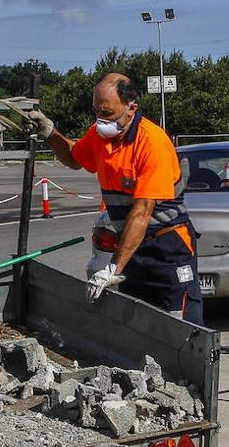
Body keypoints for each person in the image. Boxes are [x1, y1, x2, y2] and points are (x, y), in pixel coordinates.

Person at [27, 73, 202, 324]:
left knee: (180, 323)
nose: (101, 120)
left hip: (167, 248)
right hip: (132, 248)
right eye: (96, 111)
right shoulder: (99, 137)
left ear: (131, 109)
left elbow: (142, 213)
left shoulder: (152, 143)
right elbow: (75, 158)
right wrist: (50, 132)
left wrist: (112, 268)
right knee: (137, 320)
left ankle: (186, 364)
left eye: (107, 113)